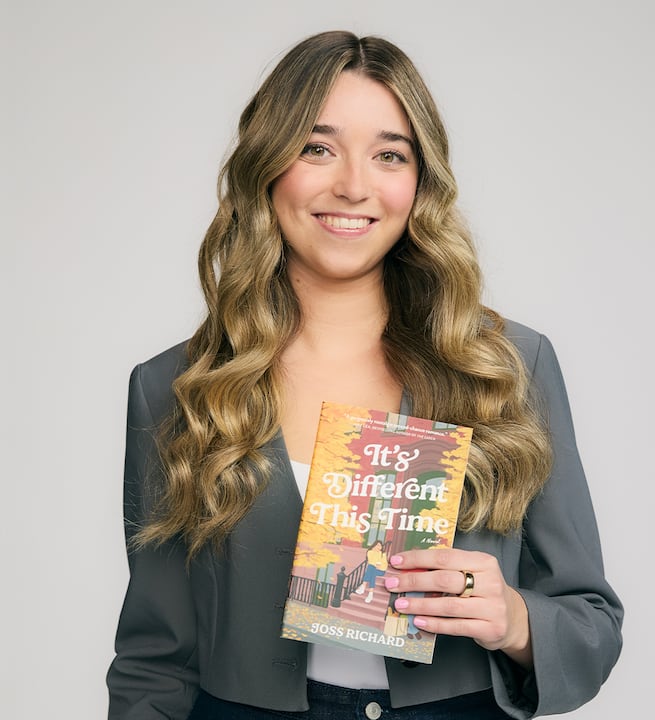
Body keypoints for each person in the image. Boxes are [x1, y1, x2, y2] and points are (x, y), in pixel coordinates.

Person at [106, 31, 622, 719]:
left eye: (389, 155)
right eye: (317, 147)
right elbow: (153, 663)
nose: (353, 185)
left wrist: (515, 619)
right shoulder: (179, 388)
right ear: (268, 165)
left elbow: (593, 626)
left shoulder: (509, 368)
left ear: (420, 181)